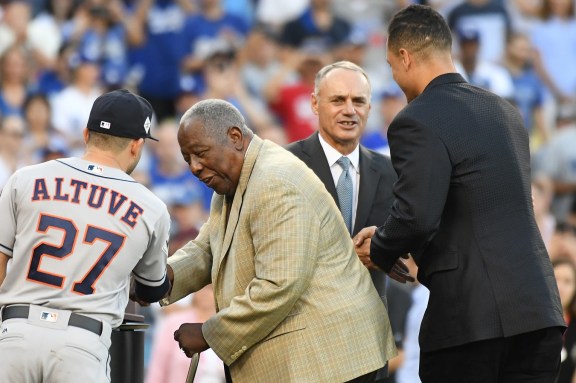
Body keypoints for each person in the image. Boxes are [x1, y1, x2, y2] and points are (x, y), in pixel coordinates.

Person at [358, 5, 565, 382]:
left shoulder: (415, 118)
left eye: (390, 65)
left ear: (405, 57)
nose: (394, 74)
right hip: (539, 310)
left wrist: (381, 248)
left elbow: (416, 216)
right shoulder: (505, 111)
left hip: (473, 323)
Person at [162, 99, 396, 383]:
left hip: (330, 359)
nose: (195, 167)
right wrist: (161, 278)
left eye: (200, 154)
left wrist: (208, 333)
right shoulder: (231, 182)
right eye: (188, 159)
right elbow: (207, 248)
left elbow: (278, 284)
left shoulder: (275, 180)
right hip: (308, 358)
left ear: (235, 137)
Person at [0, 89, 172, 382]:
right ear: (136, 145)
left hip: (16, 335)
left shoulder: (26, 178)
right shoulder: (151, 207)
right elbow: (152, 288)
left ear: (86, 134)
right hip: (82, 346)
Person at [286, 60, 412, 381]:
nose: (349, 110)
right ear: (315, 103)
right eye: (337, 100)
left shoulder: (392, 172)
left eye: (358, 101)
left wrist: (388, 248)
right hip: (303, 345)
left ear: (370, 107)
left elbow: (408, 242)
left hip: (367, 349)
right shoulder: (285, 165)